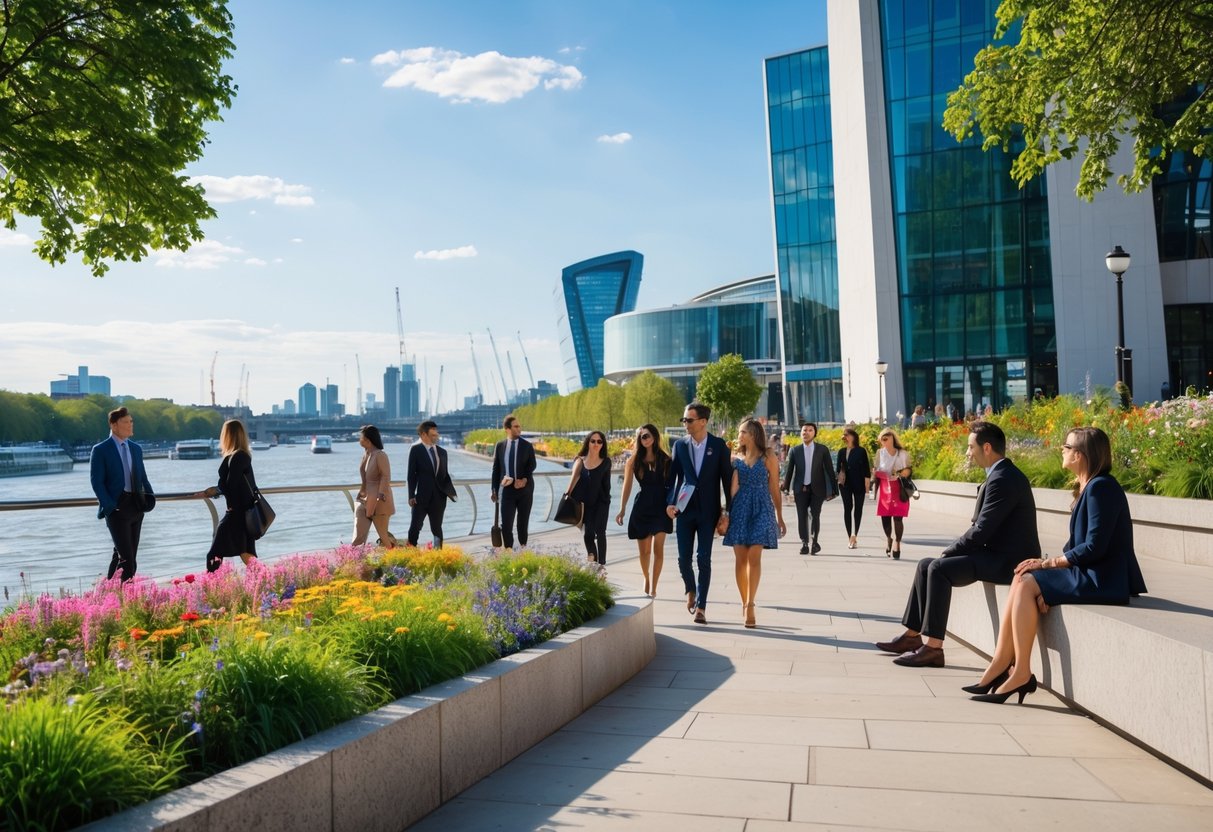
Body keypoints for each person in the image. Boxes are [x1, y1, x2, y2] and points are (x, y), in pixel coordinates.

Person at [964, 426, 1147, 703]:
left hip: (1102, 578)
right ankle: (1001, 663)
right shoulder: (1087, 486)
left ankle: (1021, 672)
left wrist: (1049, 567)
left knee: (1027, 581)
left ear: (1081, 454)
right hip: (1087, 571)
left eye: (1067, 446)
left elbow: (1094, 546)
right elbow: (1077, 546)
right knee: (1022, 574)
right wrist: (1047, 574)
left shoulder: (1102, 488)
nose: (1062, 449)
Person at [874, 421, 1040, 668]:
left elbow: (981, 530)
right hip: (995, 553)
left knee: (939, 569)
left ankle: (933, 649)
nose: (967, 453)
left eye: (970, 447)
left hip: (1008, 561)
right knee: (924, 565)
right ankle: (912, 636)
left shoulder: (1003, 478)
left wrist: (949, 551)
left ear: (986, 447)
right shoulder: (999, 474)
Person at [666, 402, 733, 625]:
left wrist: (728, 512)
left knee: (703, 558)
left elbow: (726, 479)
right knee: (683, 559)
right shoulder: (679, 446)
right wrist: (669, 503)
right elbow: (673, 478)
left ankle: (701, 607)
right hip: (684, 511)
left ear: (703, 422)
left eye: (689, 420)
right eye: (684, 420)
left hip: (708, 512)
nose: (685, 424)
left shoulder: (719, 445)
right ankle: (690, 590)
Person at [722, 418, 786, 628]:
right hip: (740, 508)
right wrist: (726, 514)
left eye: (743, 432)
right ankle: (743, 601)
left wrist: (779, 516)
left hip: (761, 507)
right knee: (740, 559)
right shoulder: (736, 458)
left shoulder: (768, 455)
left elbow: (774, 487)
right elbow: (732, 488)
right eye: (740, 432)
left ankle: (751, 604)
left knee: (753, 556)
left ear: (753, 434)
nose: (739, 436)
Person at [89, 406, 155, 581]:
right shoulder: (101, 449)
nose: (130, 425)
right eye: (125, 422)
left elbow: (142, 477)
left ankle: (106, 597)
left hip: (136, 507)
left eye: (131, 421)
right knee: (128, 561)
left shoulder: (136, 449)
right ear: (113, 425)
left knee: (122, 556)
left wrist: (150, 498)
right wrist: (110, 507)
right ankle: (123, 601)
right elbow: (97, 482)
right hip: (117, 509)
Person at [615, 424, 674, 597]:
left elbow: (673, 486)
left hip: (662, 509)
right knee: (644, 552)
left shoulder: (666, 460)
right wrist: (622, 509)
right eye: (641, 437)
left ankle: (654, 587)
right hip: (642, 508)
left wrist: (675, 505)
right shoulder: (634, 461)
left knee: (658, 550)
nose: (645, 439)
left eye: (647, 436)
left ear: (654, 437)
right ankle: (646, 577)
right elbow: (627, 486)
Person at [196, 419, 259, 572]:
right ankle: (268, 583)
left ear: (228, 435)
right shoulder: (240, 455)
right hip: (242, 511)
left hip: (237, 513)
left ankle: (211, 587)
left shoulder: (238, 457)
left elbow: (231, 484)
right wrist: (217, 489)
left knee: (215, 554)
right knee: (246, 553)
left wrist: (215, 490)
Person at [781, 421, 837, 555]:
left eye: (810, 430)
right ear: (801, 433)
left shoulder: (822, 450)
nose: (806, 432)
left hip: (818, 488)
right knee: (801, 515)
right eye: (804, 430)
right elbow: (790, 471)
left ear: (814, 433)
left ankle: (815, 541)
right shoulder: (795, 450)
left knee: (815, 514)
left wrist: (834, 490)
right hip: (801, 488)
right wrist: (786, 488)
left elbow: (830, 470)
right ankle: (804, 543)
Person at [407, 420, 456, 548]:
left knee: (437, 529)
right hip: (421, 498)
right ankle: (410, 554)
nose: (437, 437)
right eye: (433, 435)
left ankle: (438, 555)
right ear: (423, 435)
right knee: (415, 527)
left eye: (437, 434)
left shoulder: (442, 452)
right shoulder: (416, 450)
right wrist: (411, 495)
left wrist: (450, 492)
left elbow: (444, 475)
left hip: (439, 498)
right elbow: (411, 475)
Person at [491, 414, 536, 550]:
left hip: (525, 490)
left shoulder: (527, 446)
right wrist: (494, 489)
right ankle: (509, 552)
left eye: (519, 426)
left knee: (522, 523)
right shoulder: (500, 446)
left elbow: (532, 465)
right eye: (516, 426)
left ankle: (523, 551)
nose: (519, 429)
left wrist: (524, 479)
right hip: (506, 490)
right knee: (506, 524)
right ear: (507, 429)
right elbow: (496, 469)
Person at [565, 430, 611, 567]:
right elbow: (573, 481)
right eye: (593, 441)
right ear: (588, 443)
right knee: (588, 534)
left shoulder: (606, 462)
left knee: (601, 532)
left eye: (599, 441)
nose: (596, 444)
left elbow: (606, 485)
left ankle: (602, 565)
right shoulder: (580, 461)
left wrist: (606, 500)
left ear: (602, 444)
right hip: (586, 504)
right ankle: (593, 562)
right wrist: (567, 495)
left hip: (602, 503)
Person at [351, 424, 397, 548]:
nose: (359, 440)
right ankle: (353, 560)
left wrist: (380, 494)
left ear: (368, 440)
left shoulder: (380, 455)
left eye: (361, 437)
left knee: (383, 537)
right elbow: (365, 478)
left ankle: (397, 559)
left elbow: (385, 476)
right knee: (359, 534)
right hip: (365, 500)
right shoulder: (367, 454)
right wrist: (361, 492)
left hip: (379, 501)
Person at [873, 428, 912, 558]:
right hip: (884, 488)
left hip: (899, 487)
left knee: (898, 517)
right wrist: (875, 476)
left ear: (892, 438)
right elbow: (876, 471)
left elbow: (909, 471)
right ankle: (889, 538)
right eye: (882, 439)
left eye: (886, 438)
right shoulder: (880, 453)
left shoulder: (903, 453)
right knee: (885, 518)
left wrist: (899, 474)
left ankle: (897, 543)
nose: (884, 441)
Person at [835, 427, 871, 550]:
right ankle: (849, 536)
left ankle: (855, 534)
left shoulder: (861, 451)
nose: (844, 436)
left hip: (859, 483)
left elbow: (866, 469)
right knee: (847, 508)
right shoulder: (841, 451)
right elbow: (838, 469)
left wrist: (867, 486)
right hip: (845, 484)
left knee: (858, 509)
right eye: (844, 434)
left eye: (847, 434)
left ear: (853, 437)